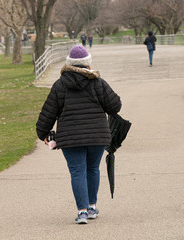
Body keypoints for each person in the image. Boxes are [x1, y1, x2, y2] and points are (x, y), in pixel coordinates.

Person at [36, 45, 121, 224]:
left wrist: (43, 132)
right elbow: (115, 106)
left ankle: (82, 211)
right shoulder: (98, 82)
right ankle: (92, 207)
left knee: (77, 172)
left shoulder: (60, 85)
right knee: (92, 169)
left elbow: (49, 112)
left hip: (70, 137)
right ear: (87, 63)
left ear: (69, 64)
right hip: (97, 135)